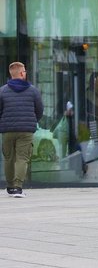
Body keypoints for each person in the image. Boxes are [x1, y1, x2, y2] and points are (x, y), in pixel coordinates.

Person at [0, 62, 43, 198]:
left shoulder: (2, 91)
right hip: (26, 130)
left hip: (7, 130)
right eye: (24, 71)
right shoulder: (33, 90)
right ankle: (18, 188)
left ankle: (10, 187)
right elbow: (40, 110)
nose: (26, 72)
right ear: (20, 73)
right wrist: (32, 120)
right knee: (22, 158)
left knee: (8, 158)